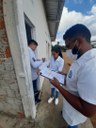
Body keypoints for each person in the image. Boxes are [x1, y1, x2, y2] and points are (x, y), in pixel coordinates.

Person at [50, 24, 96, 128]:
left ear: (78, 42)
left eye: (68, 45)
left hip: (75, 116)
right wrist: (65, 76)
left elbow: (88, 111)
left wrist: (59, 87)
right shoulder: (80, 59)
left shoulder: (92, 66)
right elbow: (77, 79)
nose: (67, 50)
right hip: (70, 110)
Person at [28, 39, 45, 104]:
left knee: (35, 89)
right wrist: (41, 61)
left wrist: (38, 60)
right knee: (34, 90)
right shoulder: (29, 51)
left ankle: (36, 99)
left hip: (34, 74)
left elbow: (33, 61)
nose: (35, 48)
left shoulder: (31, 52)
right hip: (32, 75)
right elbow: (34, 65)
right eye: (35, 46)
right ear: (32, 44)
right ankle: (35, 101)